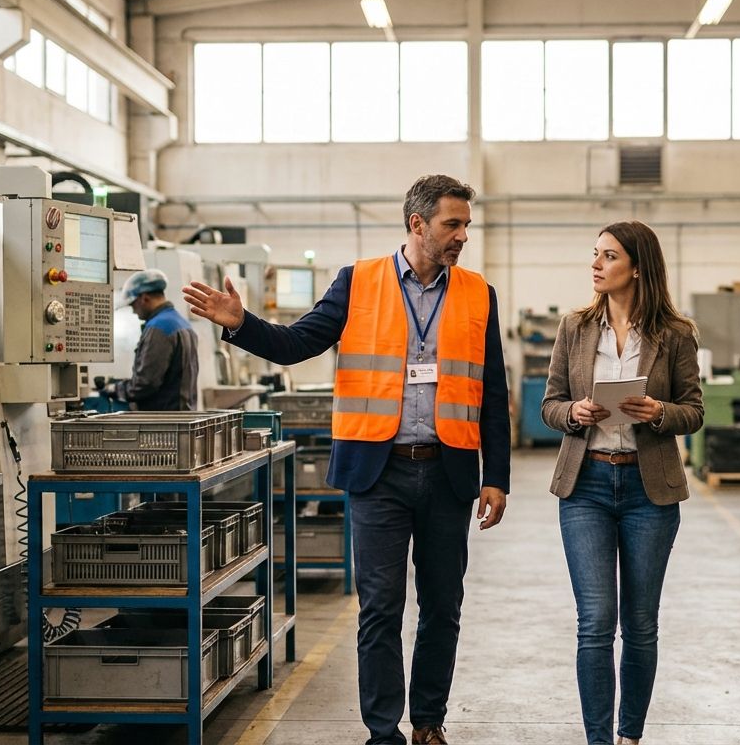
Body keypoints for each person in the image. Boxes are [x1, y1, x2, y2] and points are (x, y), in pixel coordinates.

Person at [182, 174, 510, 745]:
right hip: (377, 472)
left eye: (466, 225)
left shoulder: (479, 292)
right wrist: (240, 324)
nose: (461, 235)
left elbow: (494, 391)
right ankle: (382, 732)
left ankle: (428, 724)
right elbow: (296, 342)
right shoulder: (359, 282)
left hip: (449, 471)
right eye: (451, 224)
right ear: (417, 223)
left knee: (442, 606)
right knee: (380, 607)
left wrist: (497, 477)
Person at [540, 221, 704, 745]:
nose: (596, 264)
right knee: (595, 621)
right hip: (585, 485)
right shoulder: (575, 328)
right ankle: (598, 740)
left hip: (647, 491)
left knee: (639, 623)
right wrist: (575, 411)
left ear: (636, 266)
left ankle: (629, 736)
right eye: (595, 254)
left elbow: (694, 412)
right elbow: (549, 404)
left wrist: (658, 411)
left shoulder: (675, 334)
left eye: (608, 256)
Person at [102, 268, 199, 411]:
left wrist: (114, 389)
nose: (133, 311)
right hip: (182, 416)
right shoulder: (181, 323)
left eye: (133, 305)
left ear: (144, 298)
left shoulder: (159, 328)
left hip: (164, 423)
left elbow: (145, 384)